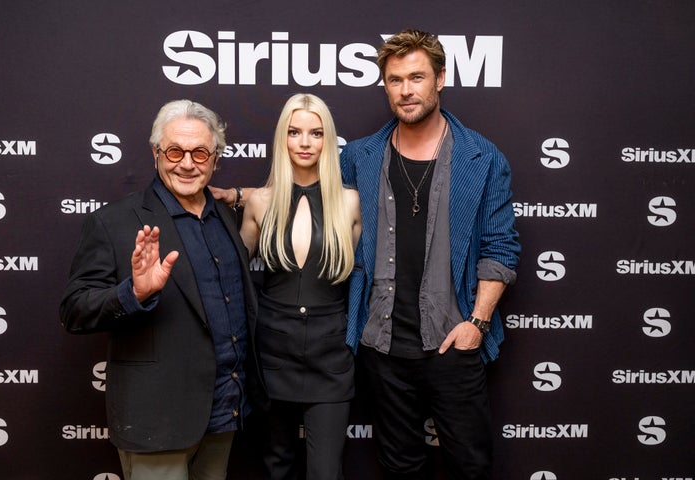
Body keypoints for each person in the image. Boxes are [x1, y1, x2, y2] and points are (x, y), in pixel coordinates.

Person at [339, 30, 520, 479]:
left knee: (470, 466)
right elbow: (313, 207)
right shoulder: (360, 157)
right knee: (399, 468)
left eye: (416, 77)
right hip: (382, 347)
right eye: (395, 79)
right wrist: (241, 196)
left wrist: (476, 324)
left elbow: (501, 246)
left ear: (440, 78)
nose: (406, 90)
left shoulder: (483, 157)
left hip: (452, 344)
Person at [60, 99, 261, 480]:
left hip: (224, 412)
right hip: (157, 421)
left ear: (215, 158)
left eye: (200, 152)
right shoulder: (114, 222)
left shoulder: (225, 218)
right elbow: (74, 309)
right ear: (156, 154)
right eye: (174, 151)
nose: (187, 163)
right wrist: (132, 293)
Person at [238, 93, 361, 480]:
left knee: (326, 472)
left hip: (330, 355)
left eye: (315, 133)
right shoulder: (258, 201)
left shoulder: (350, 202)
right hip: (273, 353)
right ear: (282, 138)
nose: (304, 142)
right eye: (294, 132)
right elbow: (233, 274)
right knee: (277, 466)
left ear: (328, 140)